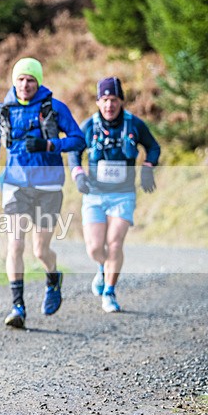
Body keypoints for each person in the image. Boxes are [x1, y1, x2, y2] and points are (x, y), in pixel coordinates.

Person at [0, 57, 86, 329]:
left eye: (30, 80)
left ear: (38, 82)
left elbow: (78, 139)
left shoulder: (54, 107)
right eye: (20, 79)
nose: (25, 85)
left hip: (49, 187)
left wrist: (49, 145)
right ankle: (18, 306)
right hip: (15, 185)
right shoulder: (2, 109)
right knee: (15, 244)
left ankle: (53, 278)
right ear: (13, 81)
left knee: (40, 250)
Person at [70, 77, 160, 312]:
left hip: (123, 195)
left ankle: (109, 292)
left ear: (121, 101)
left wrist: (148, 167)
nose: (109, 105)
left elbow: (153, 146)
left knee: (115, 242)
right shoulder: (88, 126)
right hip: (94, 195)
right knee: (95, 248)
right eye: (105, 100)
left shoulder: (134, 124)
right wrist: (78, 173)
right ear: (98, 102)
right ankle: (102, 269)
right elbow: (73, 152)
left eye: (114, 100)